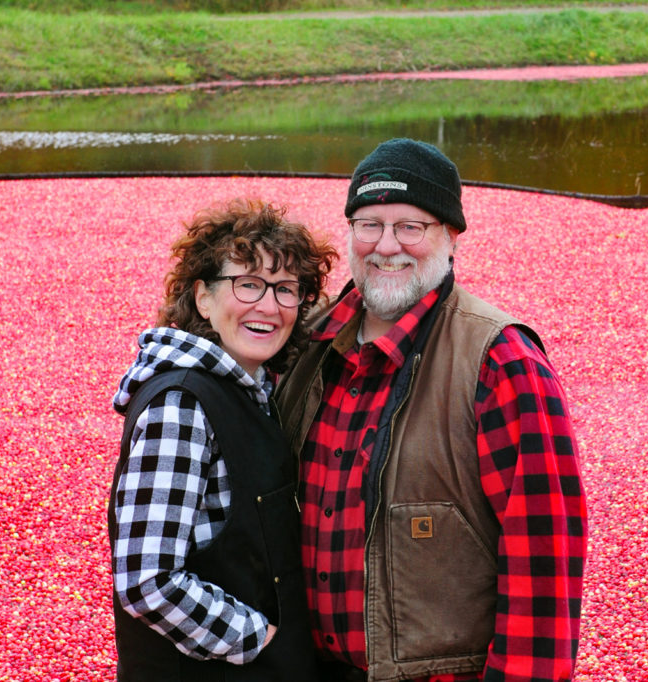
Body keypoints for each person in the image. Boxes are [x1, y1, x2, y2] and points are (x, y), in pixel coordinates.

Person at [274, 138, 588, 682]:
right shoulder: (308, 346)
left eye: (409, 227)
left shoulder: (499, 359)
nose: (386, 245)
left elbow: (544, 554)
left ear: (450, 237)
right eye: (368, 224)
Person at [108, 197, 337, 681]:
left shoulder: (254, 390)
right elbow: (147, 581)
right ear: (202, 298)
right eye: (247, 284)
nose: (268, 306)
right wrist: (260, 639)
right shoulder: (182, 406)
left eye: (286, 289)